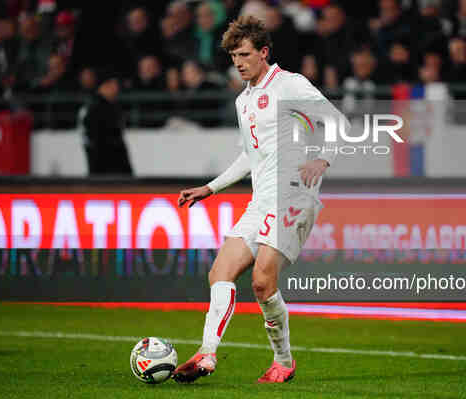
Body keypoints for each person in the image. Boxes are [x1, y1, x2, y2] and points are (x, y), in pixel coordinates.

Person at [173, 15, 348, 384]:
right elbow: (250, 157)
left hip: (293, 197)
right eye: (234, 56)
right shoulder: (244, 101)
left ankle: (282, 361)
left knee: (262, 281)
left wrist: (324, 158)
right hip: (262, 198)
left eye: (245, 54)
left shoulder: (290, 85)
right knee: (220, 271)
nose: (238, 62)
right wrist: (212, 187)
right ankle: (206, 354)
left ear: (264, 52)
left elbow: (337, 121)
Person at [81, 69, 133, 175]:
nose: (116, 88)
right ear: (104, 86)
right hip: (106, 166)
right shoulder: (95, 109)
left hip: (110, 166)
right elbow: (95, 140)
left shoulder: (111, 106)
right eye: (114, 85)